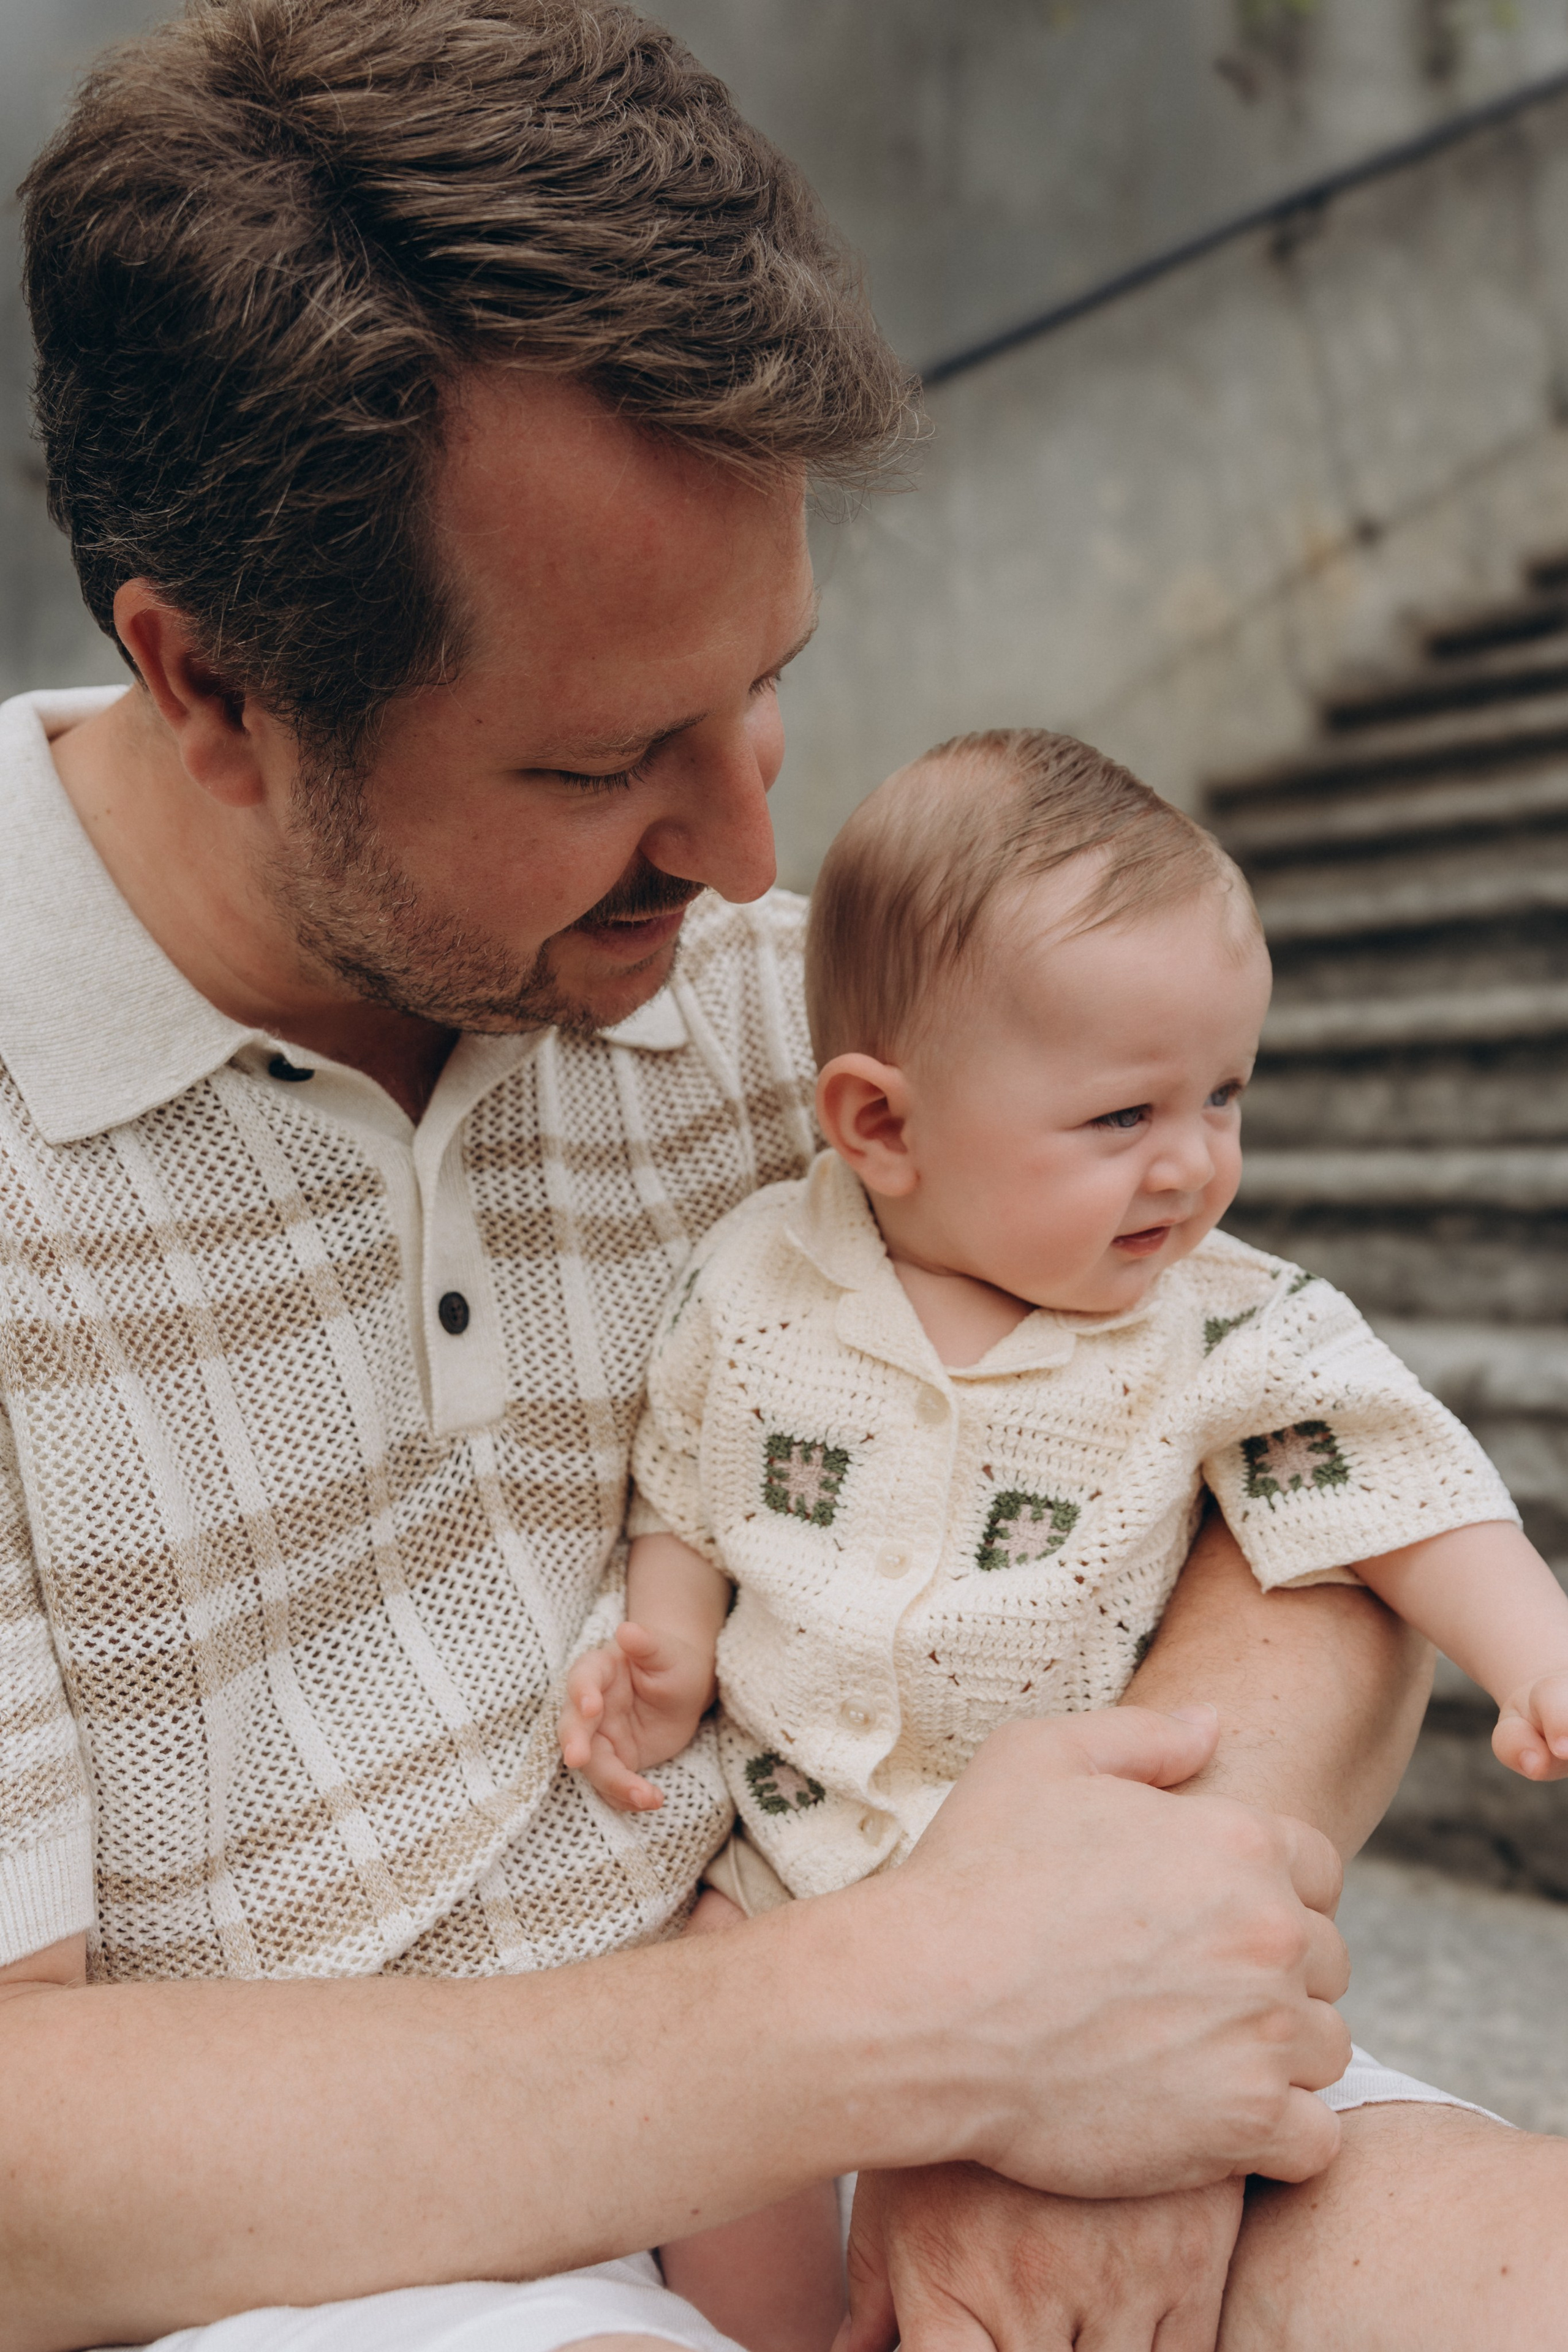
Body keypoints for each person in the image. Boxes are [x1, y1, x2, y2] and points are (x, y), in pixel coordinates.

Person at [0, 6, 1559, 2351]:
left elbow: (1286, 1496)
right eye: (612, 756)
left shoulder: (782, 1019)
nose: (746, 855)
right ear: (208, 685)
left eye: (768, 687)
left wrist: (1088, 2053)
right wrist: (921, 2034)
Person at [559, 729, 1568, 2348]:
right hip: (781, 1898)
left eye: (1225, 1093)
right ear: (881, 1126)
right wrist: (667, 1638)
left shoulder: (1221, 1321)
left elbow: (1396, 1481)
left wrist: (1533, 1648)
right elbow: (689, 1471)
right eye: (1122, 1116)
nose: (1194, 1162)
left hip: (1073, 1934)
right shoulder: (760, 1278)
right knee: (733, 2206)